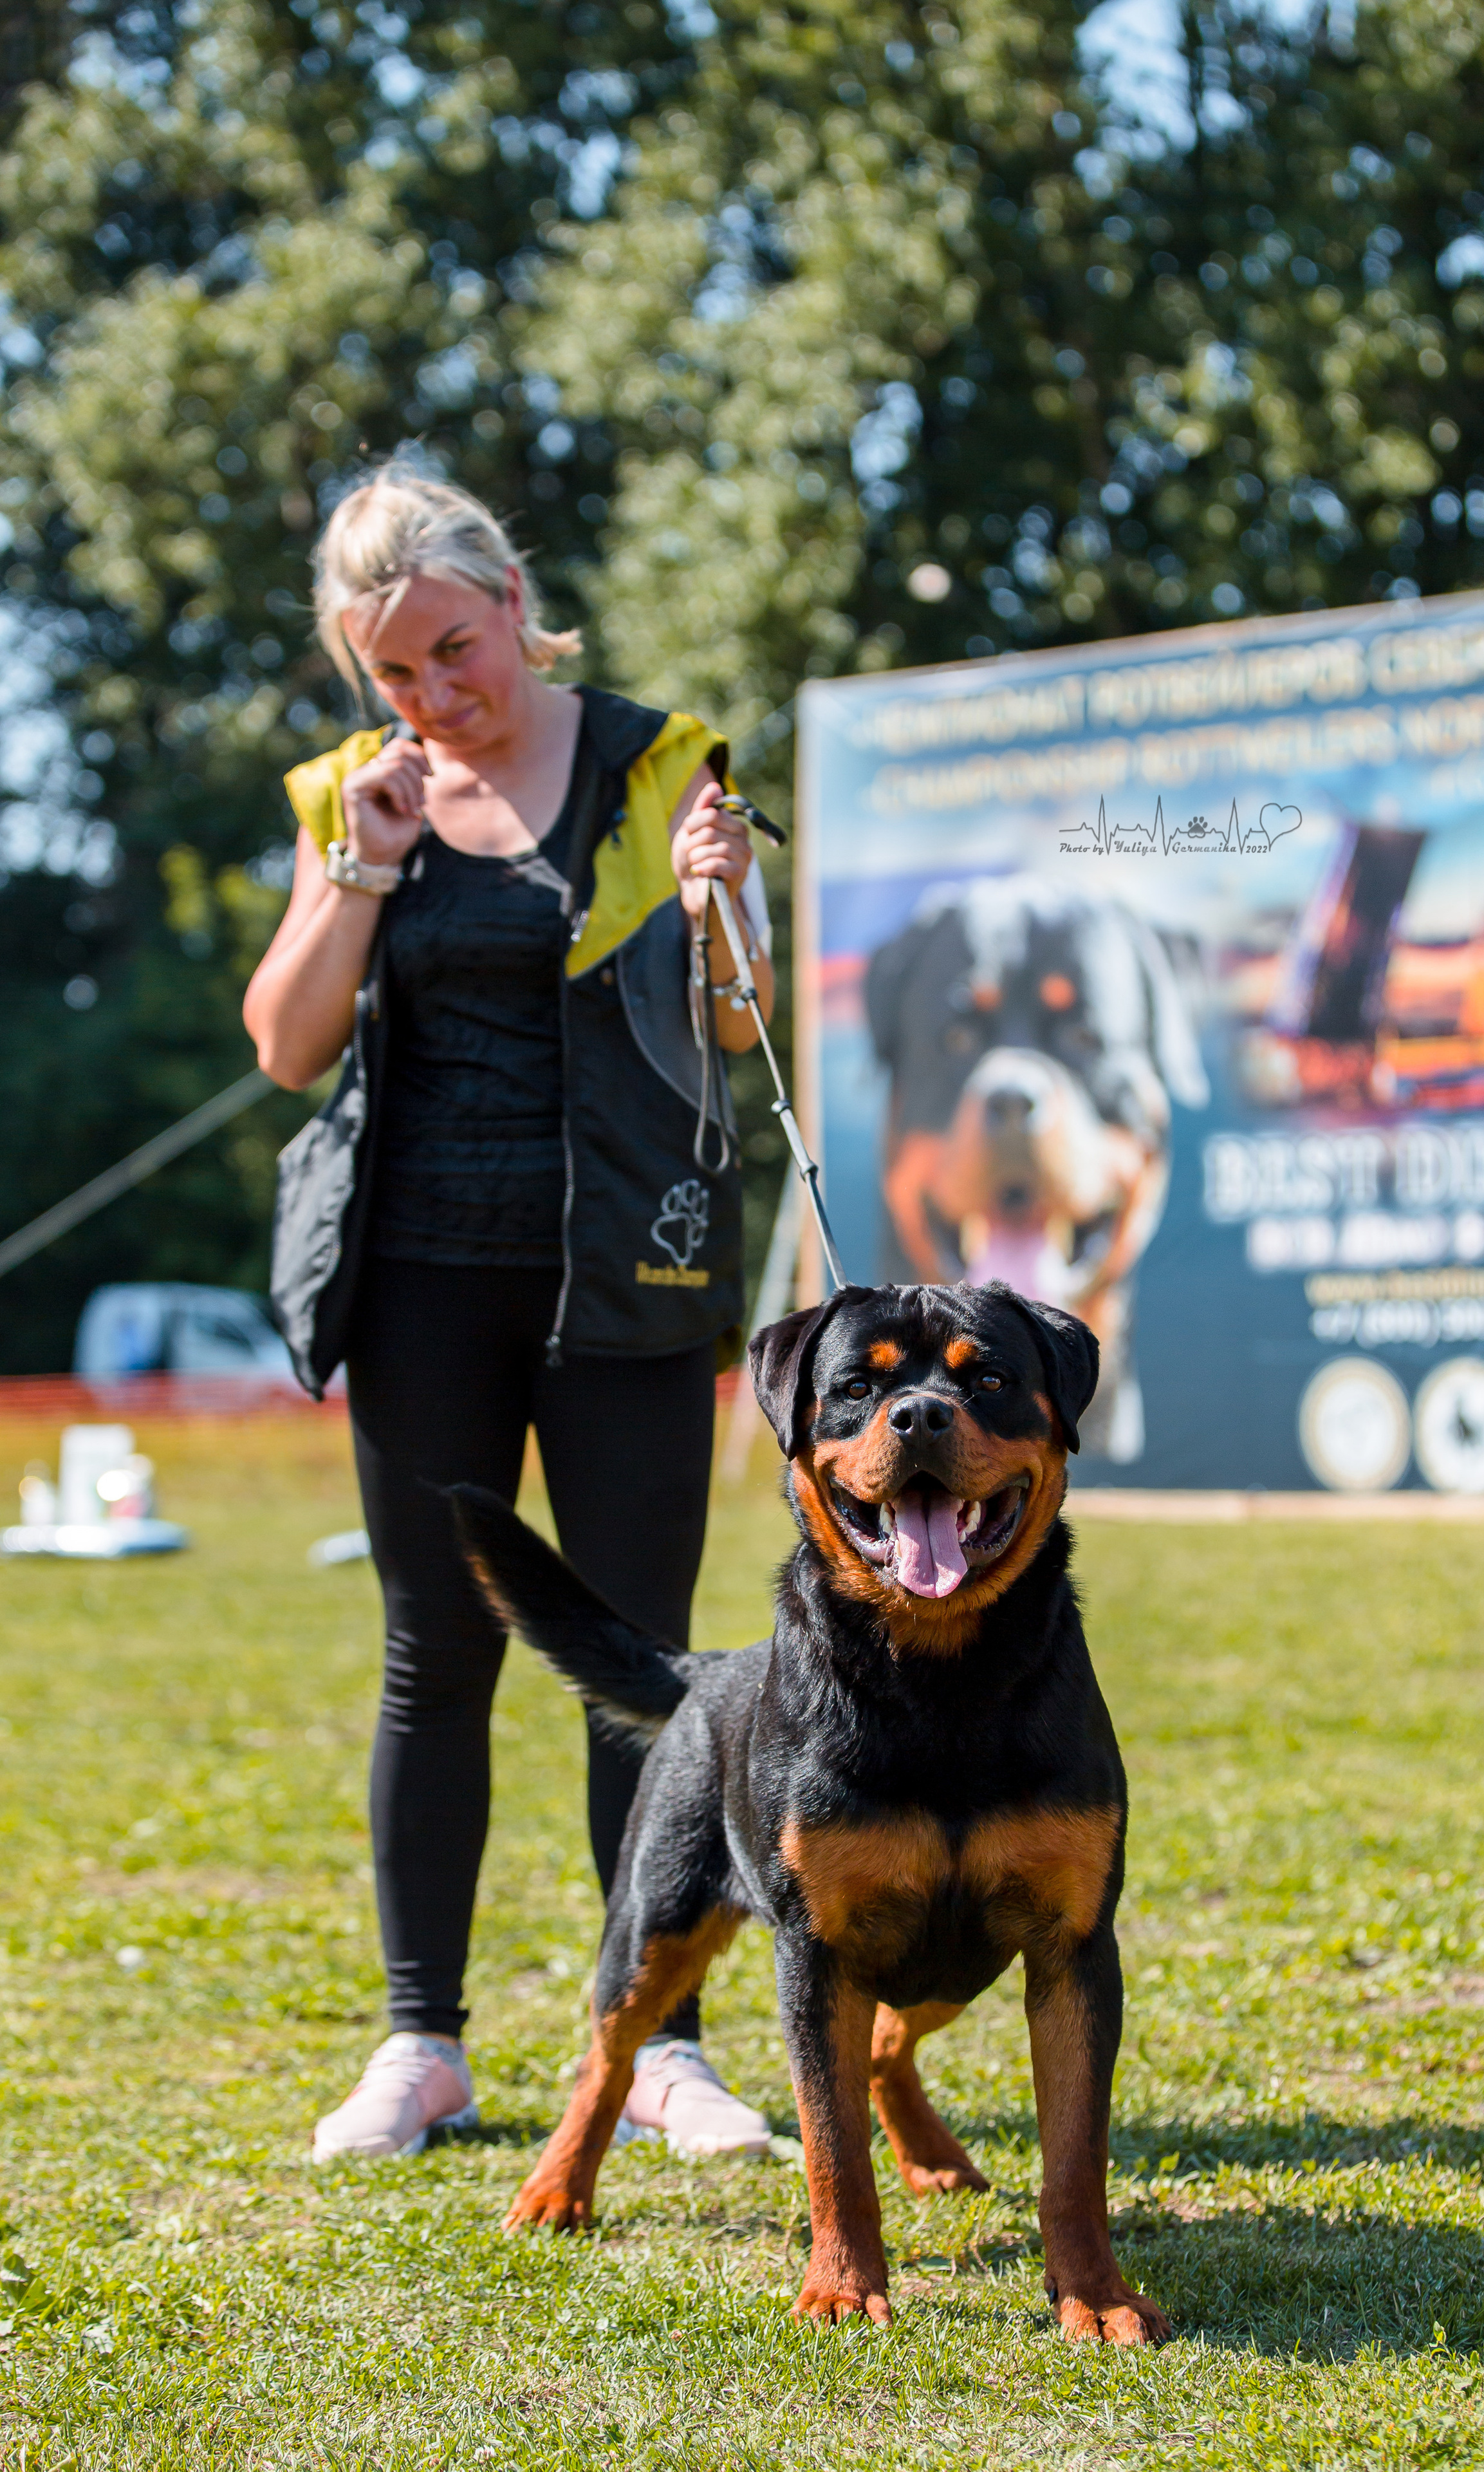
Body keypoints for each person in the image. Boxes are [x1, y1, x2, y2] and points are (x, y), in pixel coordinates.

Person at [244, 460, 775, 2163]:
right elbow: (284, 1045)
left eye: (456, 653)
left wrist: (718, 903)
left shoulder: (665, 766)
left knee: (641, 1661)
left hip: (629, 1273)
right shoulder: (357, 795)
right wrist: (362, 875)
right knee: (435, 1656)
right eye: (393, 674)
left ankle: (667, 2046)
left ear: (515, 611)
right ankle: (424, 2048)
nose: (433, 698)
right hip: (420, 1286)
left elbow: (742, 1036)